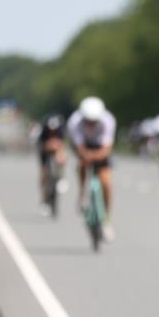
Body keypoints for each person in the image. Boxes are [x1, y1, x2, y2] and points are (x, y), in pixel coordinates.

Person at [67, 96, 117, 241]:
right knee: (82, 164)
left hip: (100, 147)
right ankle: (82, 194)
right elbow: (79, 145)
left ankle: (106, 221)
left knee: (106, 182)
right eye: (88, 121)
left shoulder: (108, 120)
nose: (91, 124)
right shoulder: (74, 122)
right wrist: (85, 155)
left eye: (94, 121)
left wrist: (96, 156)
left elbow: (107, 147)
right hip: (83, 146)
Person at [36, 113, 68, 214]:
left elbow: (62, 144)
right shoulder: (43, 132)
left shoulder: (61, 131)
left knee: (62, 157)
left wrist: (57, 148)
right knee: (44, 172)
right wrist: (48, 146)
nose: (52, 131)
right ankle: (44, 199)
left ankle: (61, 178)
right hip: (45, 152)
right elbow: (40, 145)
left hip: (57, 151)